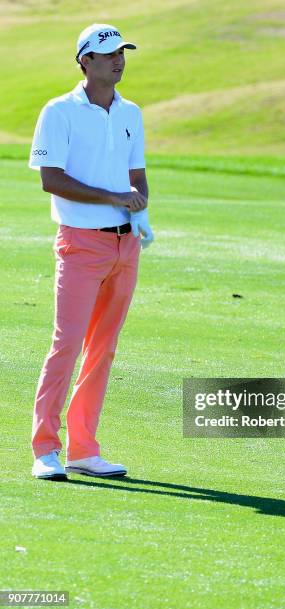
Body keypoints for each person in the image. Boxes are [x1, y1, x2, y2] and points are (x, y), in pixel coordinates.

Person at [29, 23, 153, 480]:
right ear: (85, 61)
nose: (118, 60)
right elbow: (51, 179)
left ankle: (83, 448)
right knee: (67, 345)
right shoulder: (58, 111)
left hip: (125, 244)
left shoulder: (130, 112)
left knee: (103, 349)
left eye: (122, 53)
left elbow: (136, 175)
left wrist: (138, 210)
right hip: (81, 243)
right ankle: (45, 448)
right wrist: (112, 197)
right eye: (108, 54)